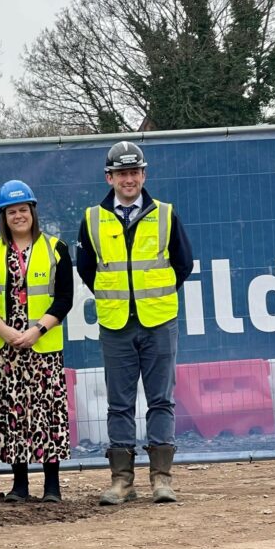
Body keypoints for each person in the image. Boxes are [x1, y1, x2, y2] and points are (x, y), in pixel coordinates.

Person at [76, 141, 194, 504]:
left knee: (161, 400)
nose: (129, 179)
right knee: (119, 403)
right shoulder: (92, 219)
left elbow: (183, 263)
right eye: (121, 173)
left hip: (158, 321)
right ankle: (121, 481)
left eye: (135, 172)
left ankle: (162, 478)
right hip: (116, 324)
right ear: (109, 178)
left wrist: (152, 297)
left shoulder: (166, 214)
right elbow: (86, 269)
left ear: (144, 174)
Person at [0, 181, 74, 503]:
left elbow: (64, 299)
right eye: (11, 211)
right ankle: (19, 484)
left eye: (23, 210)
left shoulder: (56, 248)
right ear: (2, 217)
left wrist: (37, 330)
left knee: (47, 414)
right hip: (3, 348)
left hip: (42, 347)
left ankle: (52, 486)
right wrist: (5, 332)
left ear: (33, 212)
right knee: (12, 414)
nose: (18, 216)